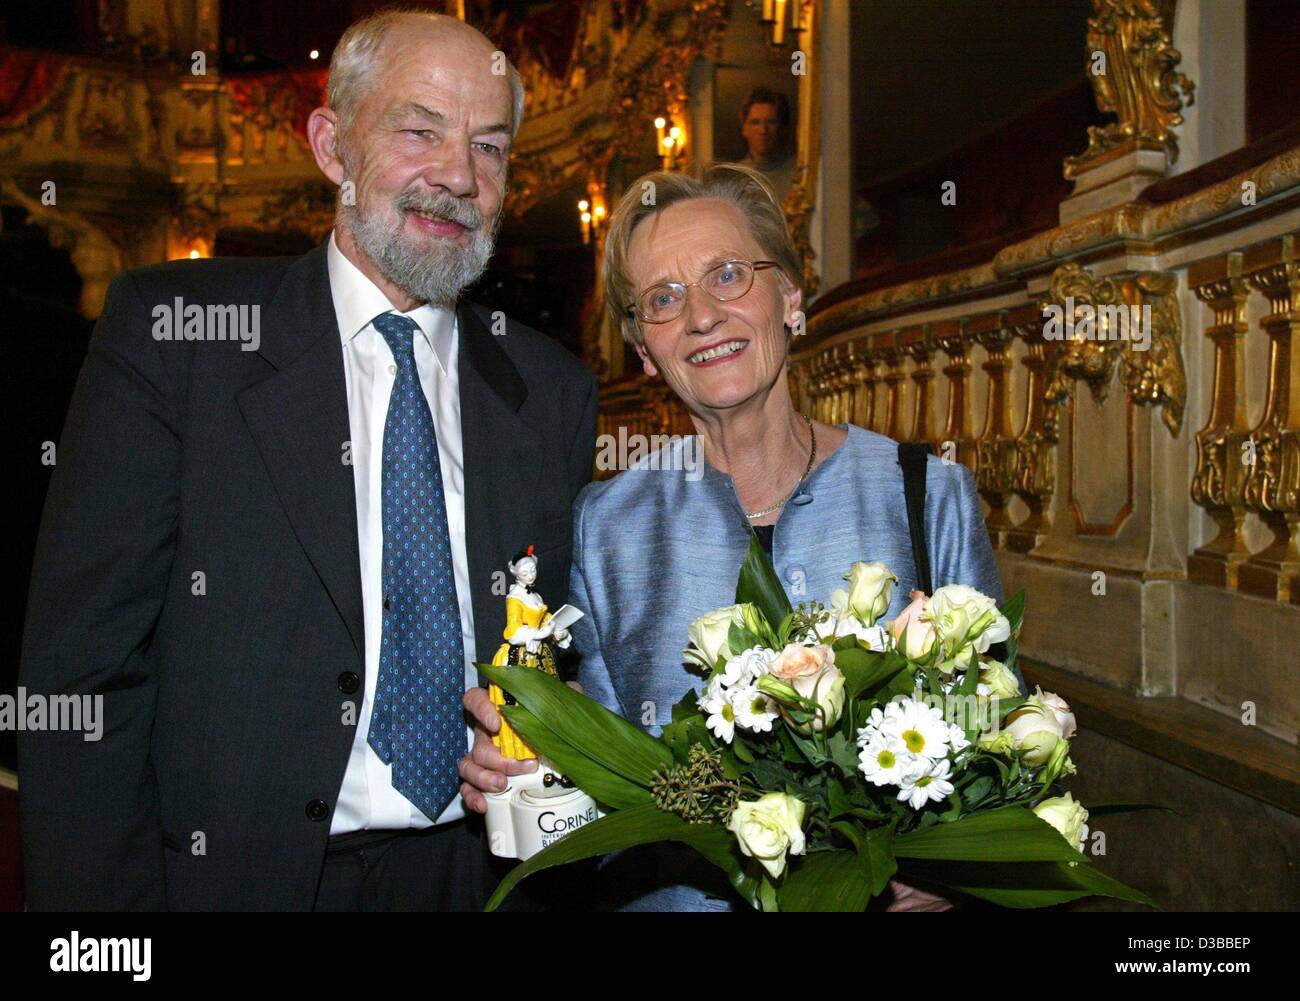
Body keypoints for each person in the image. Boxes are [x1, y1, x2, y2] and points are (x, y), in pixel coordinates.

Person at [18, 9, 596, 911]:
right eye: (420, 131)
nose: (458, 175)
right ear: (331, 146)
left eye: (489, 147)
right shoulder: (180, 341)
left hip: (479, 883)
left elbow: (565, 670)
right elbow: (83, 679)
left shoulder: (550, 390)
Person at [464, 164, 1007, 911]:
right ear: (646, 351)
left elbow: (1000, 744)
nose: (702, 315)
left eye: (728, 274)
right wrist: (534, 775)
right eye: (663, 298)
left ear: (789, 297)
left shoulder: (926, 495)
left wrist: (951, 866)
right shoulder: (607, 526)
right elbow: (617, 794)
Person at [735, 87, 797, 202]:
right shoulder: (735, 177)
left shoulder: (799, 173)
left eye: (770, 122)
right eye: (755, 123)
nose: (763, 130)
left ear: (782, 128)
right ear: (744, 129)